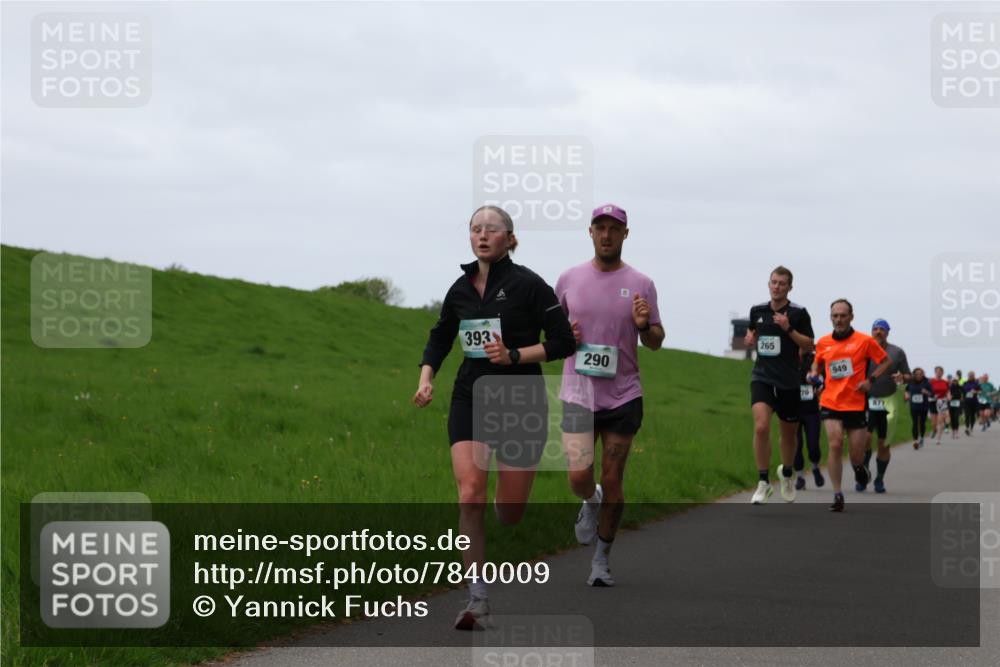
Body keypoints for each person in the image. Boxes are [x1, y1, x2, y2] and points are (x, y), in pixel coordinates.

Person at [414, 205, 575, 629]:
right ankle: (477, 599)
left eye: (491, 229)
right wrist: (426, 378)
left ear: (509, 237)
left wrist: (515, 355)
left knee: (510, 510)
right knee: (470, 493)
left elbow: (562, 342)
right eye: (475, 229)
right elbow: (440, 336)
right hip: (470, 394)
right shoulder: (461, 288)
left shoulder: (529, 285)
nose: (482, 235)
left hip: (520, 399)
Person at [557, 203, 664, 587]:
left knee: (614, 476)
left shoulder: (641, 284)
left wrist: (643, 325)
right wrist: (562, 338)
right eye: (600, 227)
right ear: (590, 232)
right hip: (577, 392)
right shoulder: (568, 279)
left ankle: (601, 560)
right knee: (578, 477)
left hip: (622, 395)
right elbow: (551, 337)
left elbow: (656, 341)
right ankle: (590, 500)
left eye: (614, 229)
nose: (606, 234)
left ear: (625, 234)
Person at [808, 299, 892, 511]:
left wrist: (870, 381)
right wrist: (813, 375)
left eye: (843, 315)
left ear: (851, 317)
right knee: (835, 444)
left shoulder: (864, 341)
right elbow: (816, 363)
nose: (839, 320)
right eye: (835, 316)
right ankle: (837, 495)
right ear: (831, 317)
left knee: (856, 454)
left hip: (855, 403)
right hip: (830, 401)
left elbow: (886, 362)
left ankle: (859, 468)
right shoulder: (824, 342)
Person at [743, 267, 815, 504]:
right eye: (774, 282)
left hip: (788, 381)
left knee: (788, 436)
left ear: (789, 287)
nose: (777, 286)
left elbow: (809, 344)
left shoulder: (798, 313)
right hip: (762, 377)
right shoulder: (757, 310)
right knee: (761, 427)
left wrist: (788, 329)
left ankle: (786, 474)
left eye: (782, 283)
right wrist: (750, 338)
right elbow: (753, 331)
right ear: (768, 284)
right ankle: (763, 482)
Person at [860, 319, 910, 492]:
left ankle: (879, 479)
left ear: (888, 332)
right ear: (871, 331)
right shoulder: (863, 349)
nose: (878, 331)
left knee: (883, 444)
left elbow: (908, 375)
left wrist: (902, 378)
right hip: (866, 400)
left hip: (888, 402)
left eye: (882, 329)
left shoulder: (897, 352)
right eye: (875, 329)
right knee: (864, 440)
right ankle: (863, 473)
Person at [795, 350, 825, 490]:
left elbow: (824, 378)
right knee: (796, 445)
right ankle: (800, 477)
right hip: (793, 408)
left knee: (813, 444)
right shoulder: (787, 356)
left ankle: (815, 467)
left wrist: (820, 387)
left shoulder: (814, 358)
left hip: (811, 409)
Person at [904, 368, 933, 450]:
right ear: (914, 374)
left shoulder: (927, 383)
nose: (919, 375)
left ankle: (922, 437)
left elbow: (932, 393)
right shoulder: (911, 383)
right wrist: (906, 395)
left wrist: (926, 392)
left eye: (920, 373)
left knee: (922, 423)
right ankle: (915, 441)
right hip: (914, 406)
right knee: (915, 423)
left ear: (923, 374)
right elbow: (906, 390)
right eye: (917, 374)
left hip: (924, 406)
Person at [928, 366, 950, 445]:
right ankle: (934, 430)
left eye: (941, 371)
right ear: (935, 372)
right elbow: (927, 391)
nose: (939, 373)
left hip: (942, 402)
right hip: (933, 401)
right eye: (937, 371)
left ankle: (938, 439)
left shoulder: (945, 382)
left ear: (942, 373)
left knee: (940, 421)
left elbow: (947, 391)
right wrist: (931, 395)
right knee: (934, 423)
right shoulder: (931, 381)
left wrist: (948, 396)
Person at [962, 371, 981, 436]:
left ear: (974, 376)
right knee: (967, 415)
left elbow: (980, 391)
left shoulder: (976, 383)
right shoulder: (965, 383)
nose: (971, 376)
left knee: (972, 416)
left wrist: (975, 391)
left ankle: (971, 429)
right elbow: (962, 391)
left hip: (974, 402)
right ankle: (967, 428)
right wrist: (962, 397)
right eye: (970, 375)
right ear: (968, 376)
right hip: (966, 402)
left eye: (972, 375)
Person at [948, 376, 964, 440]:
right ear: (952, 381)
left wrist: (962, 397)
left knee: (956, 417)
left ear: (958, 381)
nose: (955, 382)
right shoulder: (950, 387)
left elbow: (963, 394)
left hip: (958, 404)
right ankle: (953, 431)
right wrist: (949, 396)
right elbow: (948, 394)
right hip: (951, 404)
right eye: (954, 381)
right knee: (952, 418)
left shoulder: (960, 387)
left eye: (956, 381)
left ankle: (957, 431)